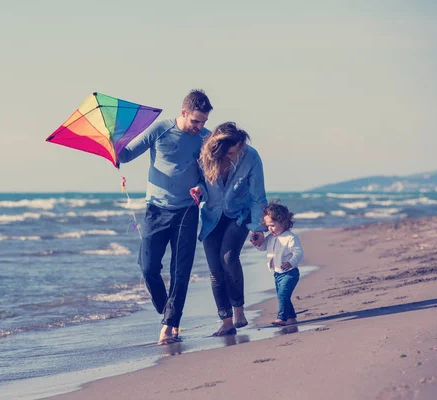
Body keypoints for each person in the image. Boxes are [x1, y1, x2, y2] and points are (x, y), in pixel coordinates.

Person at [118, 89, 213, 345]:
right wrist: (112, 151)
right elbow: (126, 154)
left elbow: (209, 176)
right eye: (195, 121)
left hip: (187, 211)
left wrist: (201, 188)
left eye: (203, 122)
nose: (199, 127)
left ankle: (170, 324)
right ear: (183, 113)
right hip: (156, 210)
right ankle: (166, 310)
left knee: (180, 271)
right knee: (148, 267)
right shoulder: (160, 129)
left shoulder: (205, 138)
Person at [190, 122, 267, 336]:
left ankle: (239, 310)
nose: (236, 154)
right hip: (211, 216)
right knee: (215, 270)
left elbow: (257, 196)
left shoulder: (251, 157)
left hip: (239, 214)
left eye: (238, 149)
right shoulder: (204, 156)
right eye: (232, 152)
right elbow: (201, 183)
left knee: (229, 257)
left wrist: (258, 228)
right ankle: (225, 321)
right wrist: (199, 189)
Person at [251, 201, 303, 326]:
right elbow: (263, 247)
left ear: (283, 222)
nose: (269, 229)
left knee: (282, 295)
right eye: (268, 226)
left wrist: (291, 262)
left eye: (272, 225)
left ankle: (282, 318)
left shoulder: (290, 237)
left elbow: (299, 252)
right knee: (284, 296)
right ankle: (291, 318)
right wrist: (256, 243)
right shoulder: (271, 237)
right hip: (277, 274)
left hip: (290, 273)